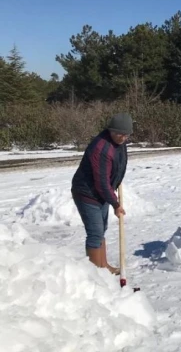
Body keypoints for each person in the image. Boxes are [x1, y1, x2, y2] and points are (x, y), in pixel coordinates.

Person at [71, 113, 132, 274]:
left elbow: (119, 164)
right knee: (95, 233)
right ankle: (96, 275)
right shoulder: (101, 148)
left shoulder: (119, 142)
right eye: (119, 133)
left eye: (126, 134)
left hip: (102, 192)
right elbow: (101, 182)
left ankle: (103, 267)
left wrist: (116, 182)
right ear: (111, 130)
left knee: (101, 230)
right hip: (87, 192)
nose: (123, 137)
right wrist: (116, 204)